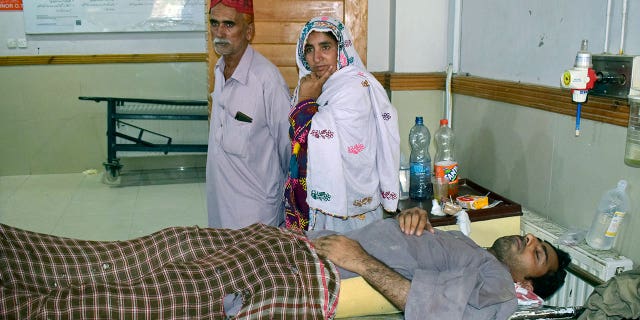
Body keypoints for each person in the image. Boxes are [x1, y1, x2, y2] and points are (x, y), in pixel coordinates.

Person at [0, 208, 570, 320]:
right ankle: (16, 255)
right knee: (158, 246)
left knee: (147, 292)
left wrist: (362, 260)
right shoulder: (469, 248)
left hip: (302, 273)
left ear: (529, 284)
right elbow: (420, 254)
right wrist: (412, 213)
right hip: (289, 243)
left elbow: (440, 314)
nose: (525, 241)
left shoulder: (496, 283)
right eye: (531, 238)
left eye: (535, 252)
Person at [284, 16, 401, 232]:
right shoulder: (314, 86)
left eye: (325, 47)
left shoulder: (354, 86)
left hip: (351, 209)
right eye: (309, 49)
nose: (316, 58)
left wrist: (305, 102)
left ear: (341, 49)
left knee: (351, 260)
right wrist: (307, 99)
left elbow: (312, 136)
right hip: (319, 206)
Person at [206, 0, 291, 229]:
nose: (219, 33)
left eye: (229, 25)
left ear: (249, 31)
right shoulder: (219, 69)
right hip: (218, 204)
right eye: (214, 23)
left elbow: (288, 148)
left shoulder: (267, 80)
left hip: (255, 214)